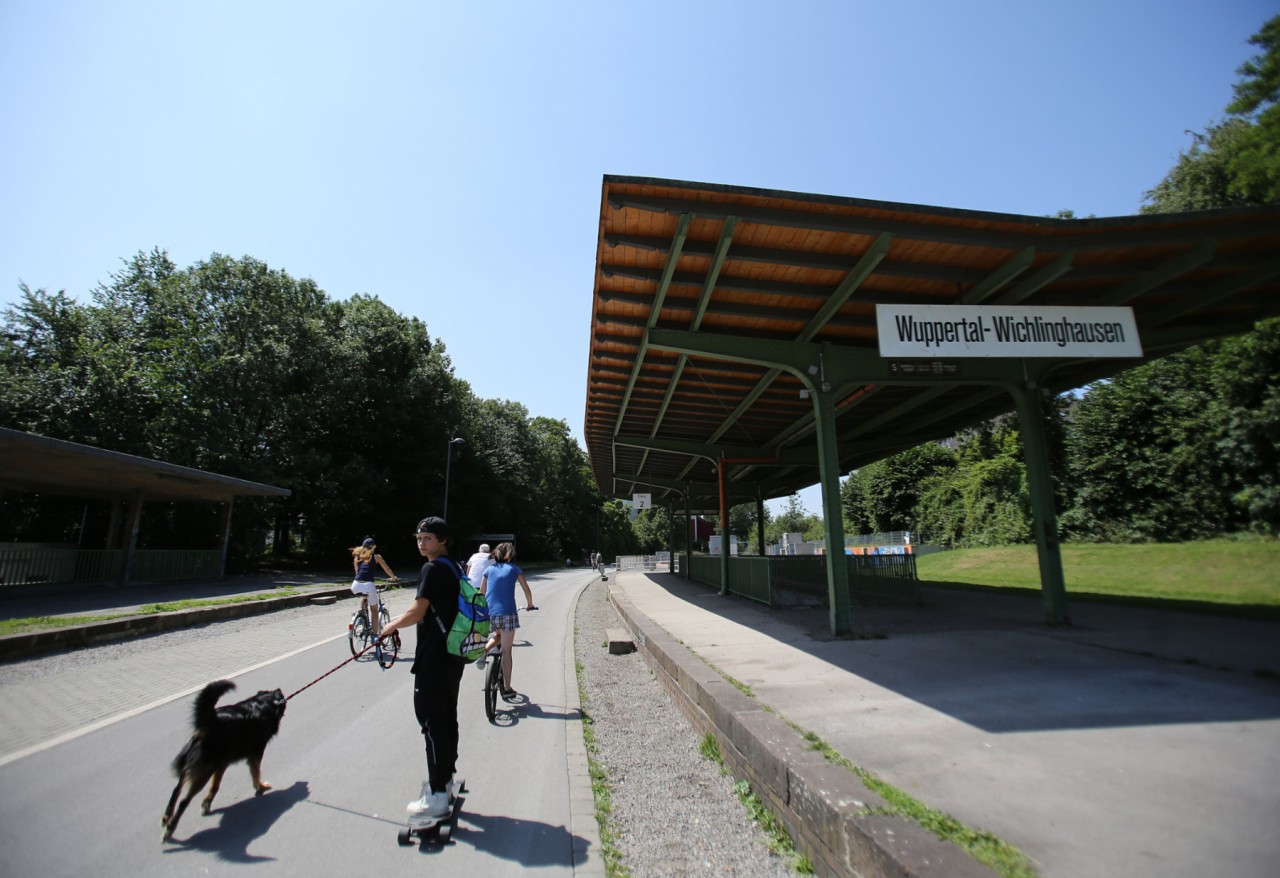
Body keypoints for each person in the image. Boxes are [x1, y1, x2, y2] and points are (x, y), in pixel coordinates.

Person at [378, 517, 467, 820]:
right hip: (453, 655)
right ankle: (448, 780)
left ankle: (438, 795)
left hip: (434, 657)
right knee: (446, 718)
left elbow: (418, 611)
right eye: (419, 538)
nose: (422, 543)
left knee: (431, 724)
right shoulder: (454, 567)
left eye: (428, 538)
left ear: (443, 540)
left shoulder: (432, 568)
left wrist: (389, 626)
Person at [476, 541, 535, 698]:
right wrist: (530, 604)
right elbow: (527, 590)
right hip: (508, 612)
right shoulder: (515, 569)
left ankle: (484, 650)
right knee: (506, 650)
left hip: (490, 613)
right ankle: (507, 688)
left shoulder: (488, 570)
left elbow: (482, 592)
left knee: (498, 636)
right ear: (510, 556)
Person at [349, 537, 396, 637]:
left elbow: (357, 573)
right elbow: (386, 568)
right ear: (373, 548)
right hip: (368, 585)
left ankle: (361, 616)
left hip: (355, 584)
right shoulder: (376, 557)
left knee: (364, 596)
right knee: (374, 610)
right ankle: (375, 636)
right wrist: (393, 577)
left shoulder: (357, 558)